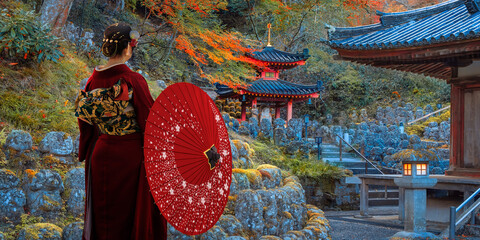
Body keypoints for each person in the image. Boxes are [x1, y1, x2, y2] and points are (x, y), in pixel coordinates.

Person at [75, 23, 167, 240]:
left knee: (104, 215)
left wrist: (86, 150)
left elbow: (85, 124)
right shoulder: (133, 80)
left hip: (100, 153)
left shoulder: (91, 81)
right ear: (127, 48)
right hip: (131, 158)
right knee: (130, 220)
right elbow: (151, 123)